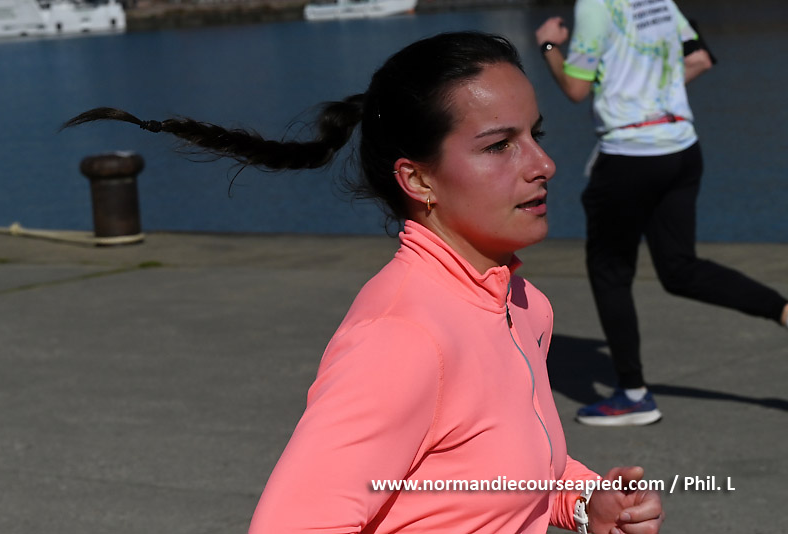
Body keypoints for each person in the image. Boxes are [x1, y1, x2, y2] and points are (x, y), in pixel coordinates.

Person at [64, 32, 664, 533]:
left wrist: (581, 502)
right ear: (418, 180)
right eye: (500, 145)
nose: (543, 164)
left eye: (537, 135)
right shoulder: (402, 336)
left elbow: (489, 468)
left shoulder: (522, 304)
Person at [535, 2, 788, 427]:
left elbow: (575, 89)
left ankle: (633, 395)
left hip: (629, 155)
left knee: (610, 272)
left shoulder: (596, 5)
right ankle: (782, 310)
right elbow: (700, 58)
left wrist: (548, 46)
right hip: (681, 147)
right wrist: (651, 95)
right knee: (679, 268)